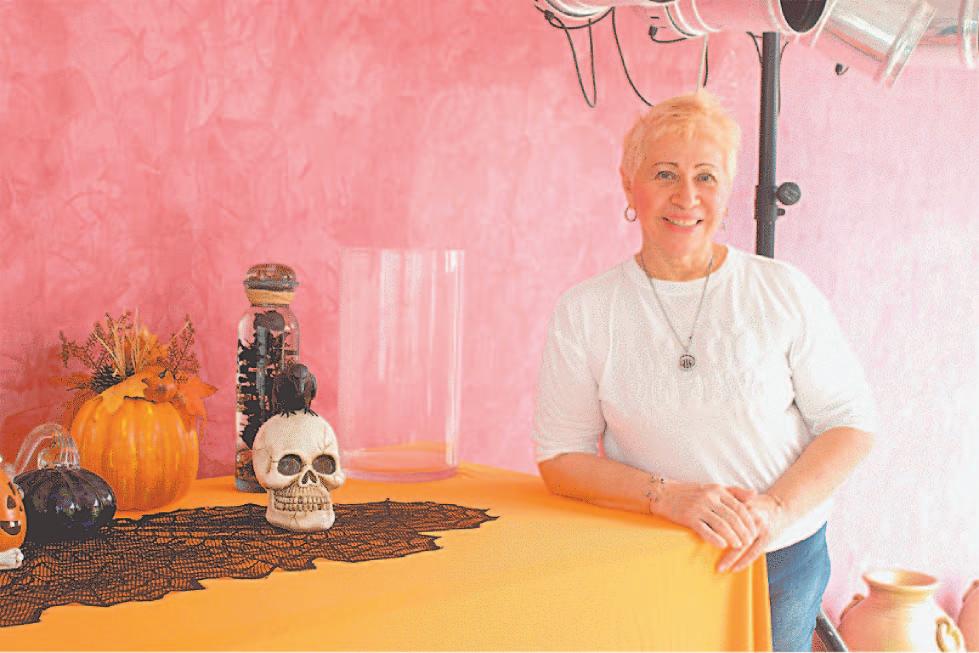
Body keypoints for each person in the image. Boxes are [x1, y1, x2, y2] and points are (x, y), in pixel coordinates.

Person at [531, 90, 876, 651]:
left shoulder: (781, 290)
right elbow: (560, 458)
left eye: (706, 177)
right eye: (665, 173)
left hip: (779, 563)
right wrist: (665, 496)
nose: (686, 196)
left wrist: (774, 510)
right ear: (629, 184)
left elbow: (851, 423)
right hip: (646, 558)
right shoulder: (587, 310)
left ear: (728, 189)